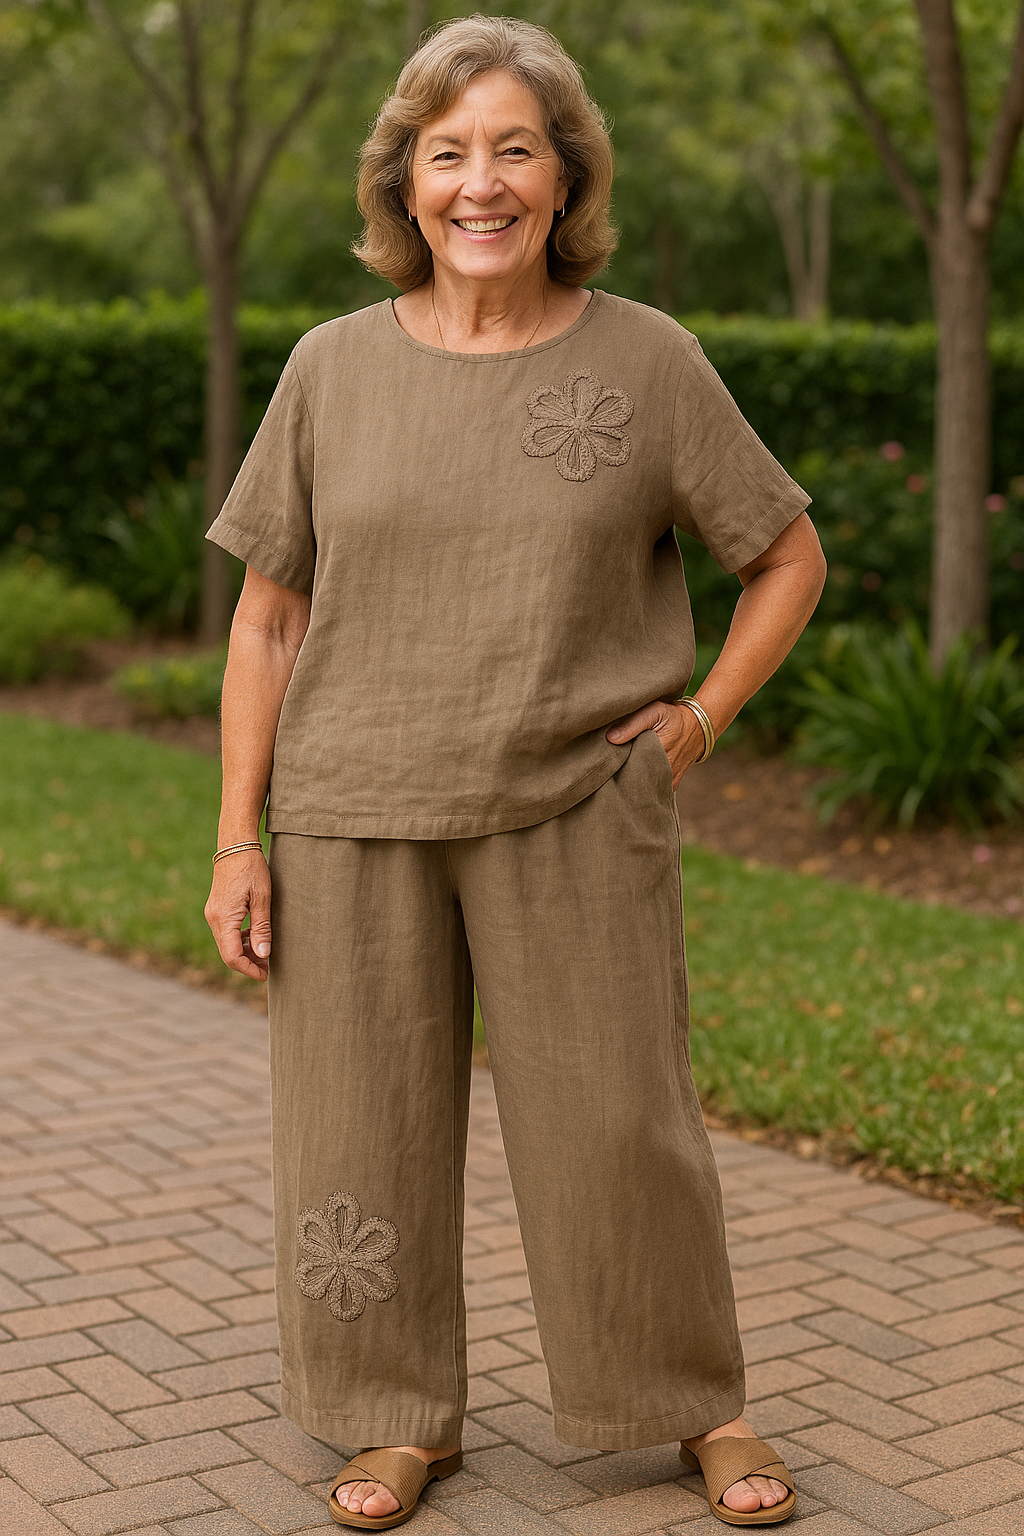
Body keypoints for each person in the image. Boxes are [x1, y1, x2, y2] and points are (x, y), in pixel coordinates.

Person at [204, 15, 825, 1530]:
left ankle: (696, 1405)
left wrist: (699, 719)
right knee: (356, 1138)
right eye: (447, 153)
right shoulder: (329, 369)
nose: (479, 183)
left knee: (622, 1131)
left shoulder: (648, 360)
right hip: (351, 815)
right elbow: (269, 616)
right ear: (405, 185)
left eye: (514, 151)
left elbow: (787, 554)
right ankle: (391, 1417)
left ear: (565, 179)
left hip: (576, 807)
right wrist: (236, 838)